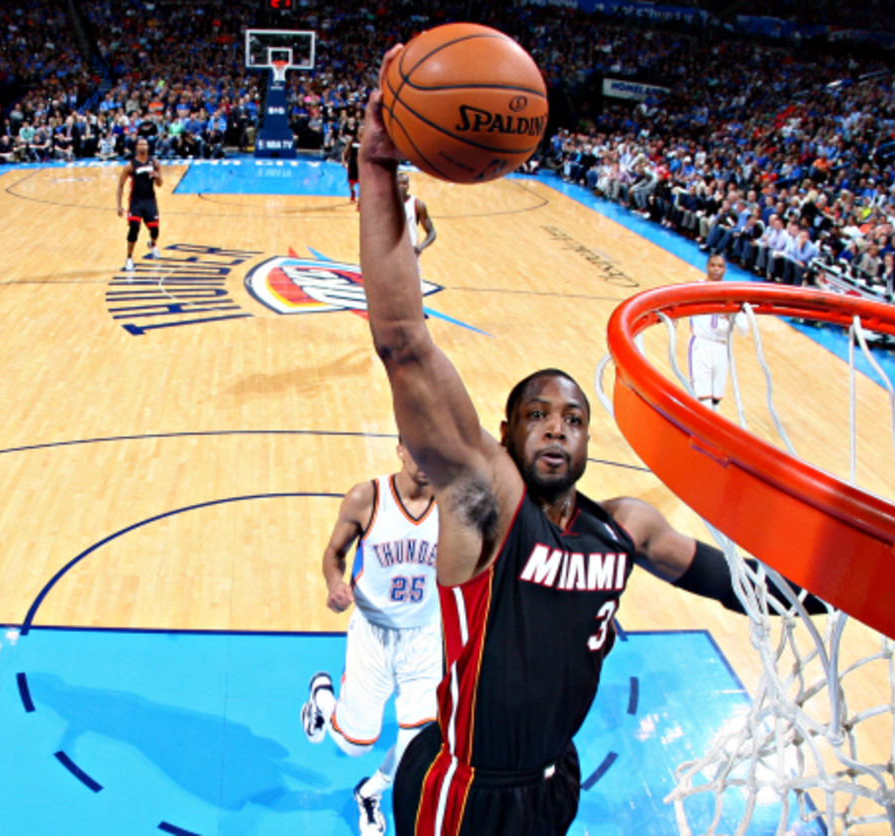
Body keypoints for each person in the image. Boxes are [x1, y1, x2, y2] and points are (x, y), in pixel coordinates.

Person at [356, 45, 824, 836]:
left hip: (553, 785)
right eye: (537, 413)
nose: (556, 427)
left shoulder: (625, 526)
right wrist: (376, 170)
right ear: (503, 435)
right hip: (465, 790)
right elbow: (404, 340)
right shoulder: (485, 504)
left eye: (572, 418)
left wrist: (831, 590)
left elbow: (731, 582)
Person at [300, 439, 441, 836]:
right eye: (419, 450)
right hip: (373, 635)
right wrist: (334, 582)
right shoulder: (367, 497)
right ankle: (323, 700)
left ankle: (370, 793)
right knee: (353, 745)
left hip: (426, 637)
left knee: (419, 746)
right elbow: (334, 551)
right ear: (400, 449)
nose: (426, 460)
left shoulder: (453, 504)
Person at [689, 253, 747, 409]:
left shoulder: (733, 295)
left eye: (720, 266)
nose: (716, 269)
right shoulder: (696, 288)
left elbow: (744, 331)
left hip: (722, 348)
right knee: (703, 400)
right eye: (713, 265)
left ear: (725, 270)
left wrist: (730, 316)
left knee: (715, 401)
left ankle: (706, 432)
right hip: (701, 345)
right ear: (707, 266)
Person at [116, 138, 163, 272]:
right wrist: (119, 206)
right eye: (140, 144)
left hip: (149, 200)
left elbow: (160, 184)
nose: (143, 146)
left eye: (145, 144)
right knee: (134, 228)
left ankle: (152, 244)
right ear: (136, 147)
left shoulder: (154, 163)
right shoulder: (131, 165)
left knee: (155, 230)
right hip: (135, 200)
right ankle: (129, 258)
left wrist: (157, 176)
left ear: (148, 147)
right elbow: (120, 185)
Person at [398, 173, 436, 267]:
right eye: (399, 183)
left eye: (404, 183)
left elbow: (431, 232)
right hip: (390, 253)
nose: (402, 186)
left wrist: (420, 247)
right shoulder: (386, 203)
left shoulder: (417, 204)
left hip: (409, 254)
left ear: (408, 186)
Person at [343, 126, 362, 204]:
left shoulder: (367, 140)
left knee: (363, 183)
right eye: (360, 129)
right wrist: (343, 160)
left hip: (362, 164)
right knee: (351, 182)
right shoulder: (352, 140)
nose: (362, 130)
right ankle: (352, 194)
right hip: (353, 163)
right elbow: (345, 151)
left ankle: (361, 199)